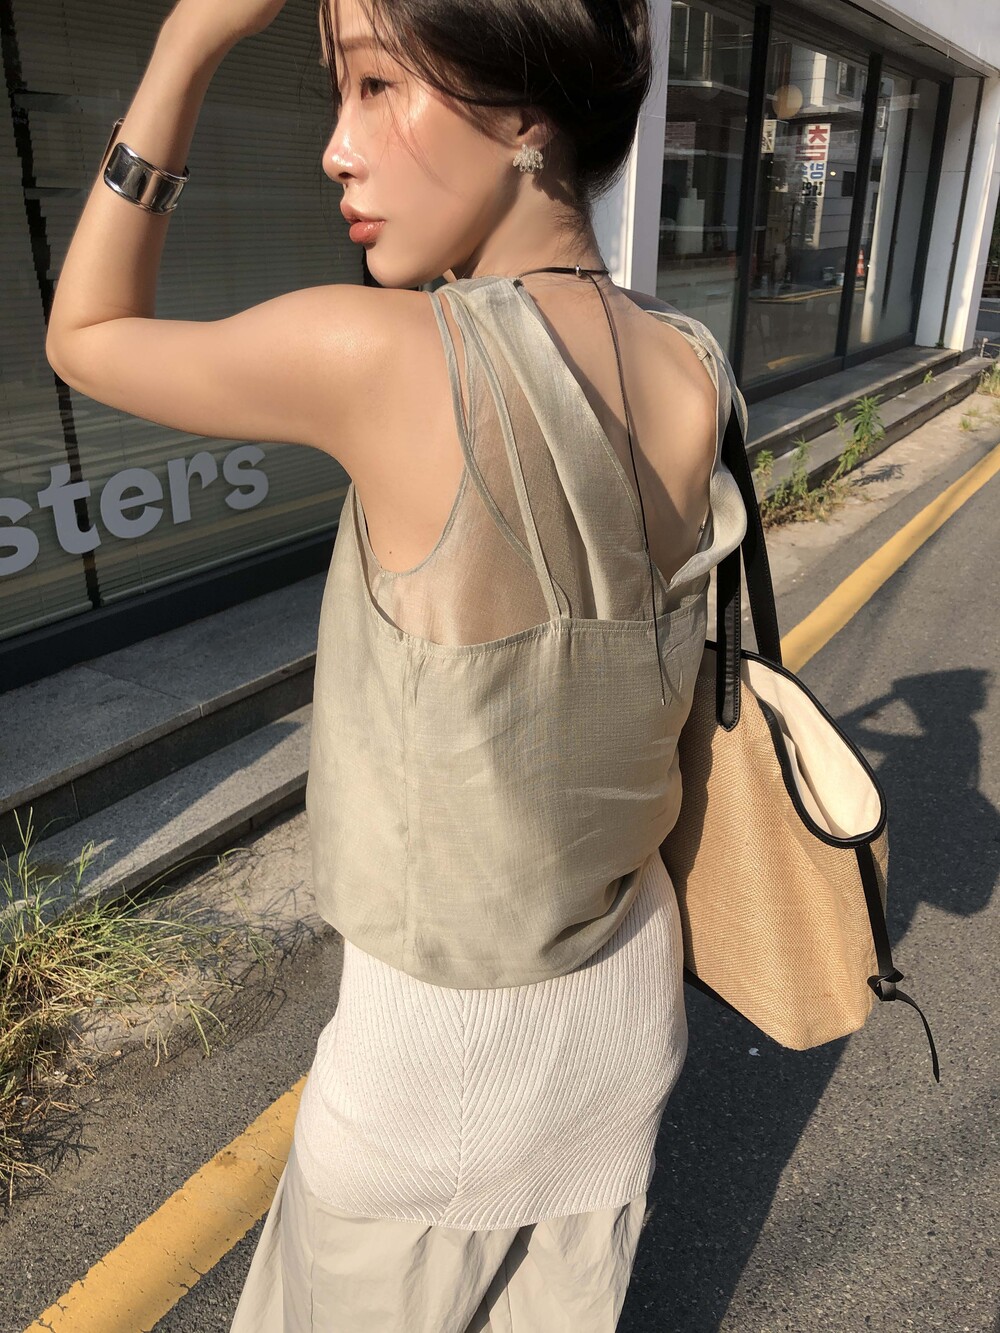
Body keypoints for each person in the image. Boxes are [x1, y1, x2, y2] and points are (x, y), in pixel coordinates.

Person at [45, 0, 747, 1327]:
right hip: (624, 1001)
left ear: (523, 112)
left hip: (439, 1069)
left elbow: (83, 334)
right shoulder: (688, 355)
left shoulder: (385, 355)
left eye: (375, 87)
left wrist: (189, 43)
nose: (335, 148)